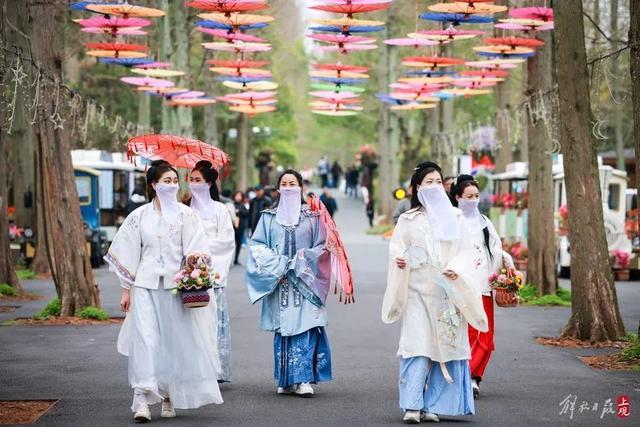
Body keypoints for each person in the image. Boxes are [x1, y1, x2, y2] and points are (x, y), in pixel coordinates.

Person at [104, 160, 223, 423]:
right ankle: (142, 401)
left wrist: (193, 266)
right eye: (165, 181)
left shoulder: (186, 215)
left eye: (174, 181)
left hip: (175, 288)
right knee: (145, 340)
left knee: (172, 341)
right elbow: (129, 252)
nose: (171, 186)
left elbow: (197, 247)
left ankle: (168, 396)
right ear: (153, 185)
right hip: (144, 286)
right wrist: (126, 291)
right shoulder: (139, 216)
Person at [382, 161, 488, 424]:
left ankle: (434, 405)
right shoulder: (408, 220)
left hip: (447, 295)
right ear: (418, 188)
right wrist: (400, 259)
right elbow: (397, 247)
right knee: (417, 345)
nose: (434, 186)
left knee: (445, 348)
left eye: (438, 182)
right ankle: (412, 404)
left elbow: (468, 250)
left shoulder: (457, 218)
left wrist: (456, 268)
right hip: (417, 291)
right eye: (428, 182)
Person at [246, 169, 333, 397]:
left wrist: (302, 260)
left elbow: (323, 247)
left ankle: (304, 379)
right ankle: (285, 380)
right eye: (284, 183)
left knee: (305, 327)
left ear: (301, 187)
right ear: (278, 189)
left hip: (306, 283)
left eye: (292, 183)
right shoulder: (268, 217)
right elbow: (256, 246)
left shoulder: (314, 218)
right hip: (280, 282)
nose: (288, 187)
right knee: (284, 329)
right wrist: (279, 265)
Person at [452, 174, 513, 398]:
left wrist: (506, 260)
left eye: (476, 196)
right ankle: (466, 377)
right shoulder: (451, 222)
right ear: (458, 198)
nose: (473, 200)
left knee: (485, 337)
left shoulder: (485, 223)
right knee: (467, 334)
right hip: (460, 286)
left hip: (483, 286)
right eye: (469, 196)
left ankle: (472, 376)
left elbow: (495, 249)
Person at [187, 160, 236, 383]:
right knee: (191, 322)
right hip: (189, 273)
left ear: (209, 183)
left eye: (198, 180)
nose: (194, 184)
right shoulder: (184, 209)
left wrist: (202, 252)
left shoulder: (220, 210)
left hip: (212, 273)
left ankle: (214, 369)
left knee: (213, 321)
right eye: (191, 180)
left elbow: (226, 242)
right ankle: (193, 368)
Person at [232, 191, 249, 265]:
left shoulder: (242, 205)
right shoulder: (231, 204)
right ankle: (229, 260)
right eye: (237, 195)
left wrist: (240, 211)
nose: (238, 197)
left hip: (240, 228)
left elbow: (246, 214)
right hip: (232, 228)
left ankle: (236, 259)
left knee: (238, 244)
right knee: (231, 244)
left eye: (240, 196)